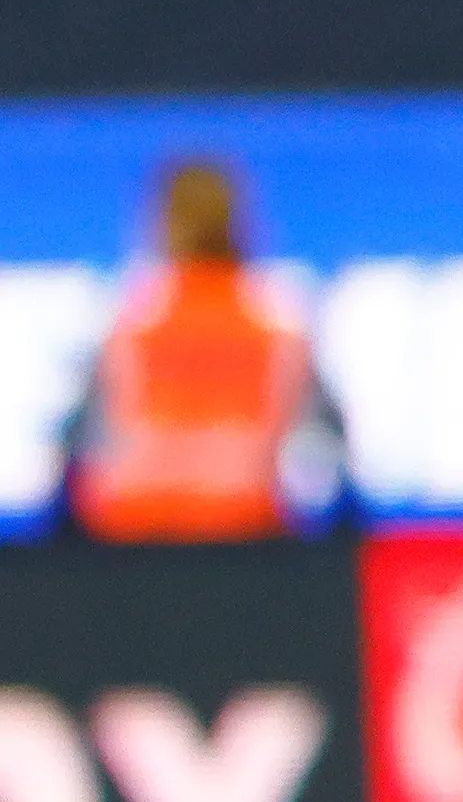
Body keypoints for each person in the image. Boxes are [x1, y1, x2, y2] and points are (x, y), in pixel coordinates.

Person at [61, 159, 347, 543]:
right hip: (247, 532)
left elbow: (75, 448)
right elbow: (334, 448)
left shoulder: (128, 332)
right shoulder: (280, 336)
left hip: (130, 533)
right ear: (242, 227)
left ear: (163, 226)